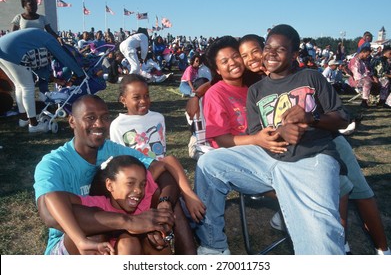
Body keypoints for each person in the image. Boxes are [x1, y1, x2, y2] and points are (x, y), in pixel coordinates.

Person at [195, 25, 349, 255]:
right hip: (267, 158)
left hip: (311, 158)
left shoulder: (311, 77)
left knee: (319, 240)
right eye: (268, 47)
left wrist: (311, 117)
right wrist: (279, 132)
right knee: (209, 164)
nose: (272, 53)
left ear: (294, 54)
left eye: (281, 49)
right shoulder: (256, 90)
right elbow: (259, 132)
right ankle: (213, 247)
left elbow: (342, 118)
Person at [34, 94, 198, 255]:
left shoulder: (112, 149)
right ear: (72, 121)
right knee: (96, 234)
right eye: (90, 118)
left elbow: (161, 169)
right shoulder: (53, 164)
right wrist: (128, 222)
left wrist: (164, 203)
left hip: (118, 230)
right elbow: (49, 216)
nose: (99, 124)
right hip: (72, 242)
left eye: (104, 118)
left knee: (165, 202)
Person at [110, 74, 205, 221]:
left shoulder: (158, 118)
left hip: (161, 172)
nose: (143, 101)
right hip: (138, 177)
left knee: (168, 184)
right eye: (136, 97)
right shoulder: (118, 125)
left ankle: (174, 213)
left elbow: (161, 148)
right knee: (169, 162)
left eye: (146, 96)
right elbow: (118, 160)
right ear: (123, 100)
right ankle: (188, 195)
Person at [45, 155, 173, 255]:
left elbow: (166, 164)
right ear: (110, 185)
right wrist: (80, 241)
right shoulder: (98, 204)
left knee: (133, 241)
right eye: (130, 183)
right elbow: (52, 197)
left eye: (142, 184)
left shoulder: (142, 206)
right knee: (96, 235)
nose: (139, 190)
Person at [0, 28, 84, 133]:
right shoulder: (50, 40)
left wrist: (54, 79)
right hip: (12, 51)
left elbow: (37, 68)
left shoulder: (37, 39)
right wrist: (79, 73)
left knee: (19, 86)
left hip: (2, 47)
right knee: (27, 87)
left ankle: (23, 119)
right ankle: (34, 124)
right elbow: (63, 56)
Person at [11, 0, 63, 96]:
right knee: (27, 79)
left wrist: (58, 38)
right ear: (24, 5)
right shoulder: (18, 18)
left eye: (35, 4)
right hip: (25, 52)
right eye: (31, 4)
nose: (34, 7)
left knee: (44, 77)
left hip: (41, 52)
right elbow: (13, 35)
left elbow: (50, 31)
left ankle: (45, 99)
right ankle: (26, 102)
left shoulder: (43, 18)